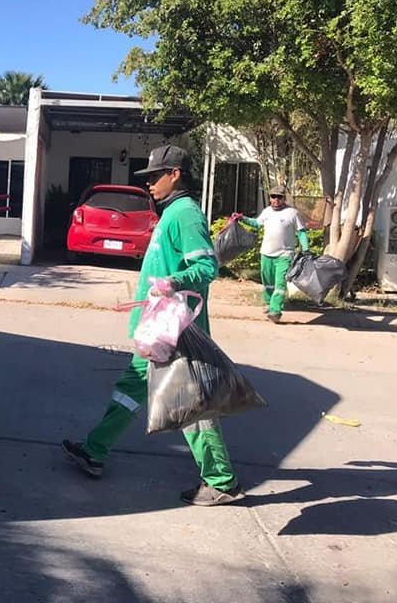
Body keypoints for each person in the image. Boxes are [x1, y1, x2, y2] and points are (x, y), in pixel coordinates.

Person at [62, 144, 243, 506]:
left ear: (175, 174)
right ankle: (94, 451)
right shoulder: (173, 211)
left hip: (175, 329)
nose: (149, 185)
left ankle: (221, 480)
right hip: (156, 326)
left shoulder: (186, 214)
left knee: (191, 403)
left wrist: (173, 283)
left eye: (155, 177)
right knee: (131, 387)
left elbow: (207, 268)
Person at [232, 185, 308, 324]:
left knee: (280, 284)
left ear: (284, 198)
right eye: (273, 197)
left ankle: (275, 311)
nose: (276, 200)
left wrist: (306, 248)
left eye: (279, 197)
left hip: (284, 255)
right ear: (270, 198)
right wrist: (242, 218)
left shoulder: (292, 213)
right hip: (266, 253)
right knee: (268, 283)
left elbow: (302, 231)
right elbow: (256, 223)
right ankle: (269, 304)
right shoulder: (267, 212)